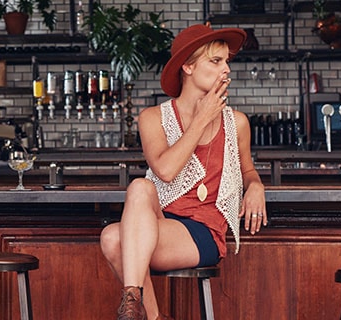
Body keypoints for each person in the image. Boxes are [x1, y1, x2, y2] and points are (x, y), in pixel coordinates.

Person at [99, 24, 267, 320]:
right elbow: (164, 170)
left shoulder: (237, 122)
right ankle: (143, 310)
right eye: (216, 61)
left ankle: (138, 309)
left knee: (114, 238)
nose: (226, 69)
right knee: (140, 188)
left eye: (227, 61)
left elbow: (248, 169)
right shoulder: (152, 118)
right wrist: (201, 120)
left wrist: (256, 186)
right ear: (187, 66)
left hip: (204, 232)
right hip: (161, 221)